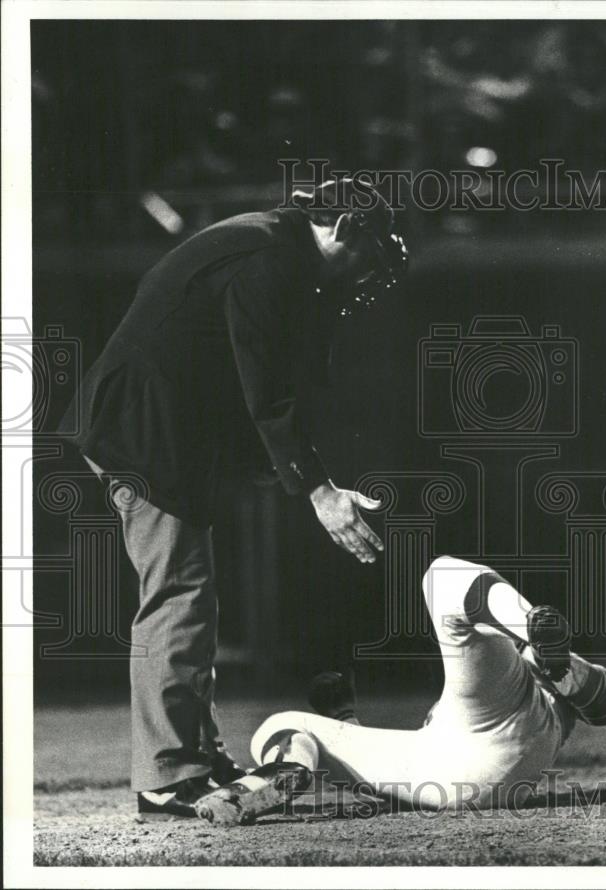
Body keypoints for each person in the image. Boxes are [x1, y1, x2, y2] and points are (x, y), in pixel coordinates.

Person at [56, 179, 408, 818]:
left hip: (154, 428)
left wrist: (293, 474)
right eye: (370, 253)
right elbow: (265, 385)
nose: (369, 273)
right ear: (346, 228)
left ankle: (196, 754)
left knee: (192, 593)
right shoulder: (270, 255)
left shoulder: (270, 240)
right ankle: (168, 774)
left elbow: (240, 372)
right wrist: (318, 491)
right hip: (143, 431)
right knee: (179, 593)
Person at [195, 555, 606, 823]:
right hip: (457, 767)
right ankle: (275, 778)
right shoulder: (513, 673)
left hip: (477, 753)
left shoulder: (520, 672)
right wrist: (345, 717)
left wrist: (556, 664)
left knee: (441, 576)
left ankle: (534, 626)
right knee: (283, 723)